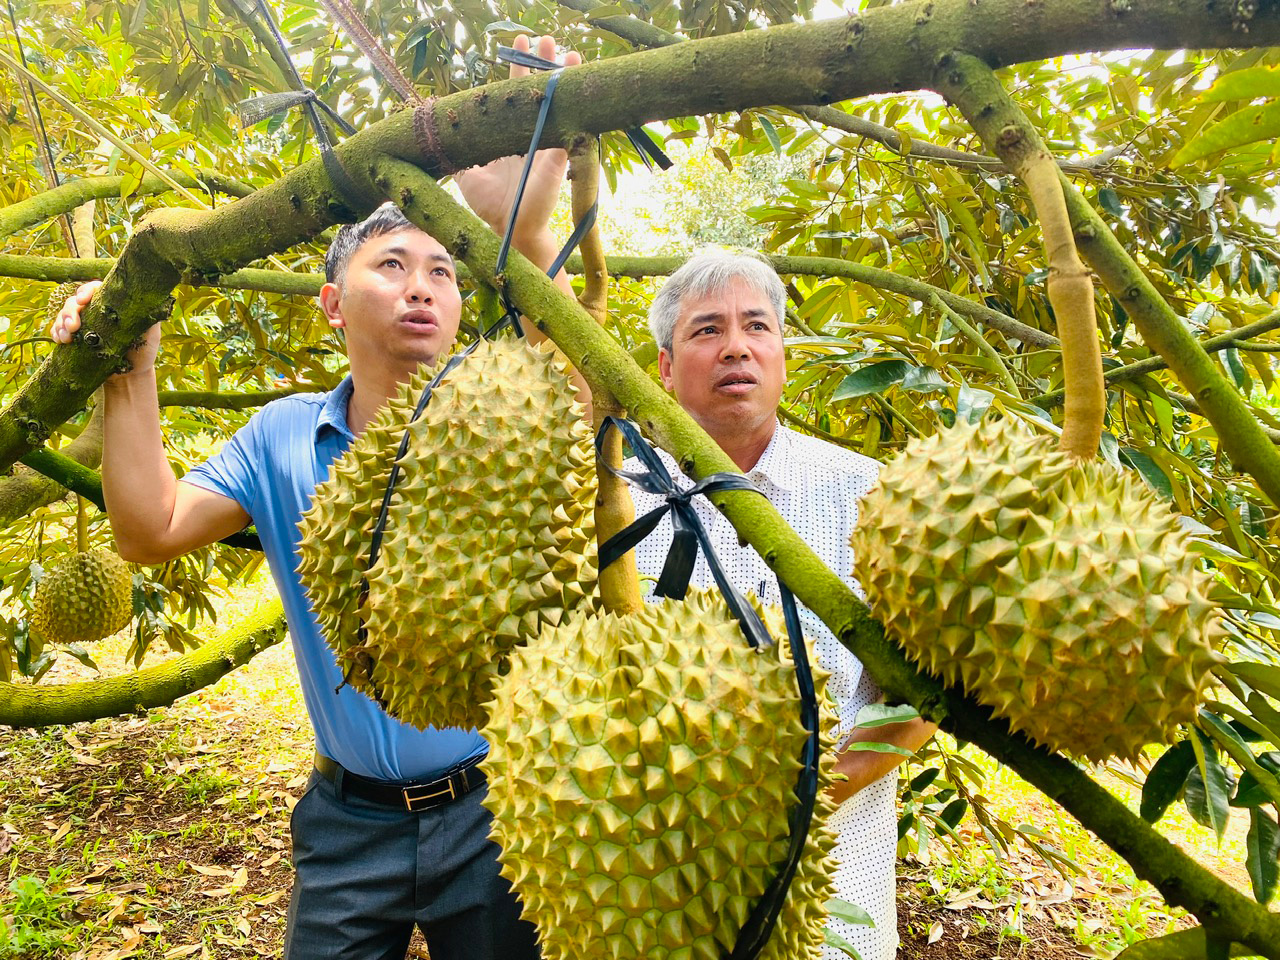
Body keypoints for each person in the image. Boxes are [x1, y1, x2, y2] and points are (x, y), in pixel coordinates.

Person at [50, 35, 581, 960]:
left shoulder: (500, 403)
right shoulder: (280, 436)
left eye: (444, 270)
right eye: (390, 265)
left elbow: (578, 381)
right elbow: (149, 532)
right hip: (346, 820)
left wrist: (524, 229)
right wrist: (127, 365)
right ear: (332, 303)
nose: (421, 287)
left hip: (497, 804)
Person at [628, 249, 938, 960]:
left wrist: (791, 811)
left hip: (836, 887)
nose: (736, 346)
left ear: (782, 354)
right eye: (706, 330)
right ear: (666, 367)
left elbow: (923, 698)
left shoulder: (876, 499)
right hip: (652, 890)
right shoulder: (615, 504)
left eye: (757, 327)